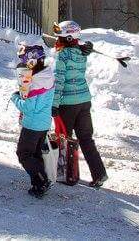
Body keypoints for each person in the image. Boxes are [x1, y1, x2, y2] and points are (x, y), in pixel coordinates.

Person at [51, 20, 107, 188]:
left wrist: (54, 105)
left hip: (67, 104)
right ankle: (99, 174)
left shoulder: (62, 56)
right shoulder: (81, 53)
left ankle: (67, 174)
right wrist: (86, 47)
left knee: (64, 140)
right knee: (86, 138)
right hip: (84, 101)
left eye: (59, 37)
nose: (57, 41)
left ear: (67, 38)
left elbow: (59, 81)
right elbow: (83, 48)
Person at [10, 41, 55, 198]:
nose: (23, 64)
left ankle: (42, 181)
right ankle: (38, 184)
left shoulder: (37, 82)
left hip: (33, 124)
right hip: (42, 123)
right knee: (34, 155)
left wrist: (15, 98)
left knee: (24, 154)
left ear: (32, 60)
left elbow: (29, 107)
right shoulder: (46, 75)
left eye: (24, 61)